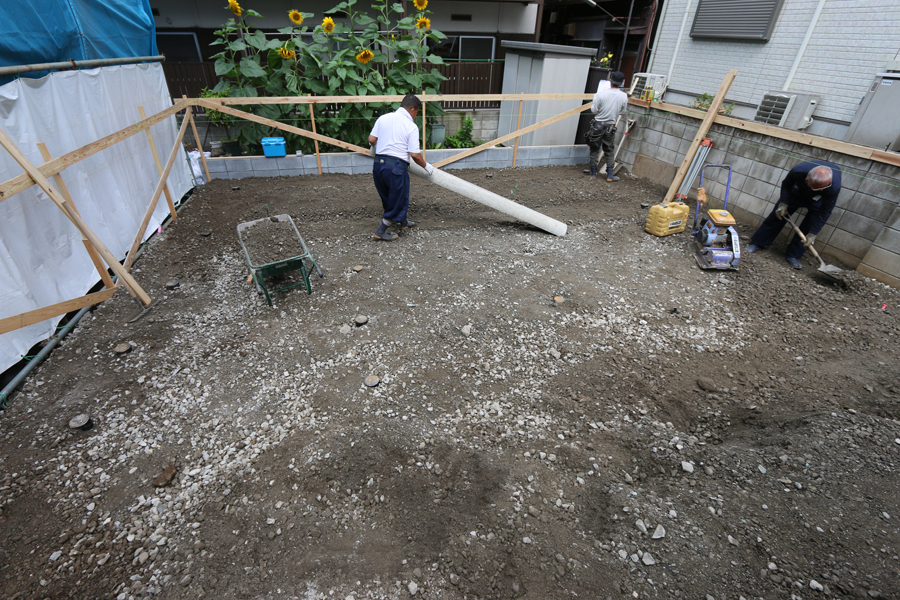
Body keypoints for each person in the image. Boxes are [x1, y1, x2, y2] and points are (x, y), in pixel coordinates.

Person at [745, 161, 842, 268]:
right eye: (819, 187)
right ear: (807, 180)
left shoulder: (833, 187)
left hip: (817, 200)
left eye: (824, 187)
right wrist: (784, 202)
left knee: (810, 225)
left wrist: (813, 233)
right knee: (778, 216)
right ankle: (758, 242)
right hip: (797, 192)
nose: (822, 189)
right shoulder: (798, 171)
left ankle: (793, 255)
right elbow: (786, 184)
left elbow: (825, 211)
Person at [368, 94, 435, 241]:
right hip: (396, 168)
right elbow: (415, 155)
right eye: (417, 112)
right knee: (399, 199)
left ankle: (403, 222)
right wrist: (427, 166)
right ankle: (380, 231)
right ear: (412, 110)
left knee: (388, 197)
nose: (416, 116)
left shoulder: (383, 118)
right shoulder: (410, 126)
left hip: (378, 166)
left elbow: (371, 139)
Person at [587, 70, 629, 182]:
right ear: (622, 82)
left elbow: (593, 110)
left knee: (595, 149)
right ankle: (610, 175)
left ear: (610, 80)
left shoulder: (600, 94)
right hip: (610, 127)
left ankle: (593, 173)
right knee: (609, 150)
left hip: (597, 126)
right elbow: (623, 111)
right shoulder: (624, 96)